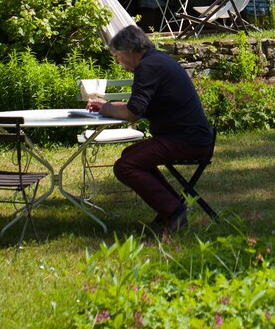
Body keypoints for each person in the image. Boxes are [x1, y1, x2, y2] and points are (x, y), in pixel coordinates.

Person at [86, 24, 214, 232]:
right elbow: (137, 107)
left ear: (129, 50)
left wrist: (107, 108)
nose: (118, 62)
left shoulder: (148, 66)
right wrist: (105, 106)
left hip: (187, 140)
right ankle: (172, 206)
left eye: (117, 56)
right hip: (190, 136)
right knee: (131, 154)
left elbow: (131, 114)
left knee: (125, 165)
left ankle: (174, 211)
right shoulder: (157, 61)